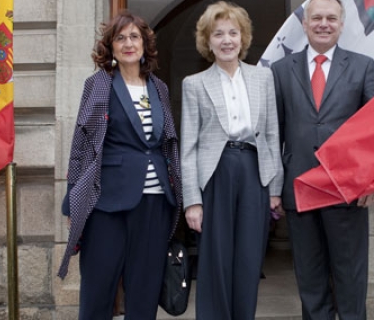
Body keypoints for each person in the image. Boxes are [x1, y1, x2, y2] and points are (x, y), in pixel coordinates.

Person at [56, 11, 182, 320]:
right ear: (111, 47)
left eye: (134, 37)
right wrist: (73, 198)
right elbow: (82, 143)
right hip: (107, 203)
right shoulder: (99, 84)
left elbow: (168, 143)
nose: (128, 44)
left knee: (145, 290)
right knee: (99, 288)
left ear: (144, 44)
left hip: (155, 203)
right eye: (120, 38)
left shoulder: (160, 88)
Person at [269, 0, 374, 319]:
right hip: (299, 189)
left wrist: (373, 181)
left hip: (347, 191)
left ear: (342, 24)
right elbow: (273, 133)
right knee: (310, 279)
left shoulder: (362, 66)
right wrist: (274, 189)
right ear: (304, 24)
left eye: (331, 18)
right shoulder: (280, 70)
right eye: (316, 18)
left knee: (350, 278)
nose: (323, 24)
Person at [180, 2, 283, 319]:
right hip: (216, 174)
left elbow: (271, 135)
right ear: (208, 42)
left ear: (243, 38)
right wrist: (192, 201)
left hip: (254, 172)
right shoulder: (194, 84)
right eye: (218, 34)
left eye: (233, 33)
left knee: (250, 260)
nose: (226, 40)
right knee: (217, 259)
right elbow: (189, 147)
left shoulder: (262, 78)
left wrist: (274, 188)